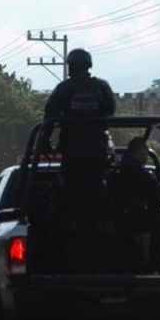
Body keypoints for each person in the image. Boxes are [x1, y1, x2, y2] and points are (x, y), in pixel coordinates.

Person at [43, 48, 116, 231]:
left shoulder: (64, 88)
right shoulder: (102, 87)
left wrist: (45, 144)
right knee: (101, 196)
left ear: (71, 66)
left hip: (73, 155)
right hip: (99, 154)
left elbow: (49, 117)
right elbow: (111, 111)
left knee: (66, 199)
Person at [115, 137, 160, 271]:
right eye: (146, 151)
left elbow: (151, 187)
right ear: (140, 150)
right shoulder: (133, 168)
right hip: (132, 216)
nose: (147, 155)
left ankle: (155, 262)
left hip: (127, 215)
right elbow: (153, 188)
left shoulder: (127, 165)